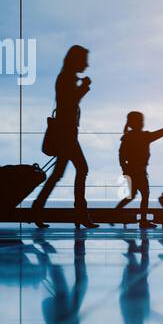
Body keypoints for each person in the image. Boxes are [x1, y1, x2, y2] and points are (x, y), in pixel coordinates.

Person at [32, 45, 98, 229]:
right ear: (76, 60)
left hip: (66, 134)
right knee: (82, 169)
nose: (87, 64)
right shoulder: (67, 78)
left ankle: (37, 209)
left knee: (58, 174)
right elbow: (70, 102)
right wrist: (84, 87)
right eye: (84, 60)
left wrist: (82, 86)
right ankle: (80, 215)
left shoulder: (66, 77)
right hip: (66, 135)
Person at [114, 111, 163, 229]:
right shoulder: (143, 136)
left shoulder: (128, 137)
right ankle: (142, 220)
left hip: (131, 170)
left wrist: (124, 168)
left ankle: (116, 212)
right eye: (141, 121)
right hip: (139, 171)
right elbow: (157, 134)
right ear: (137, 123)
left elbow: (121, 155)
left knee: (133, 195)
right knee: (144, 194)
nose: (142, 123)